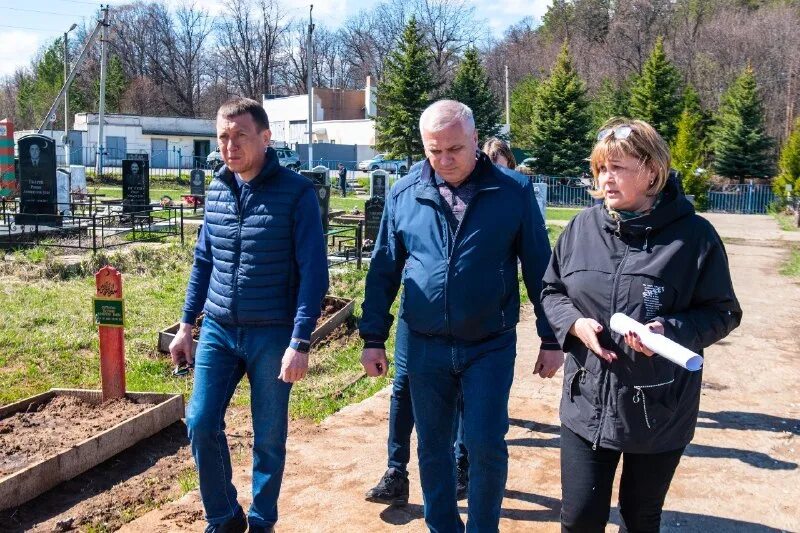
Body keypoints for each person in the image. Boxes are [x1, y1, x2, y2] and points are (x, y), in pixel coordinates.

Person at [360, 99, 563, 533]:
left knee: (486, 445)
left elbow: (538, 267)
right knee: (432, 448)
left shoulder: (512, 192)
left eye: (454, 148)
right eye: (434, 151)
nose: (444, 160)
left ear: (475, 140)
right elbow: (383, 270)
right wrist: (373, 337)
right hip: (424, 345)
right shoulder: (405, 193)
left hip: (489, 343)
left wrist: (551, 338)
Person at [541, 118, 742, 532]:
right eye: (600, 168)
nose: (605, 179)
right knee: (579, 517)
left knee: (639, 517)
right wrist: (574, 324)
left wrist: (670, 331)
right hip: (586, 402)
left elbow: (723, 311)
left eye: (617, 168)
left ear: (652, 171)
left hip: (658, 409)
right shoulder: (582, 227)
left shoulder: (695, 238)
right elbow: (551, 291)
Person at [169, 97, 329, 533]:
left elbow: (314, 274)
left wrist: (300, 342)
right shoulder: (218, 188)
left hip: (272, 333)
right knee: (201, 423)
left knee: (269, 438)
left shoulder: (296, 194)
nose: (229, 145)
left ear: (265, 137)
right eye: (222, 136)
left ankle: (262, 520)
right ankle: (223, 517)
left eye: (240, 135)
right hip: (220, 329)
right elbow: (204, 260)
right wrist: (186, 326)